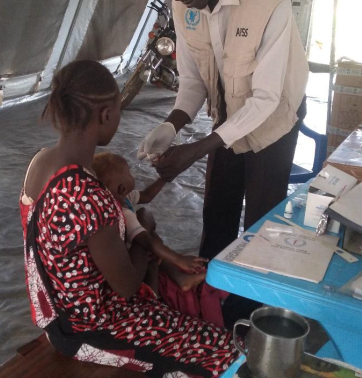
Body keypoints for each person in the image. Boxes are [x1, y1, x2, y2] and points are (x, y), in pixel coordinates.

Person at [20, 60, 238, 377]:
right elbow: (126, 286)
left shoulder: (40, 163)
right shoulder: (89, 196)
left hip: (57, 316)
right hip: (92, 329)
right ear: (106, 115)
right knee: (224, 352)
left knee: (189, 299)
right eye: (119, 110)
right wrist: (144, 231)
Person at [141, 0, 309, 263]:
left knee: (261, 220)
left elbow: (265, 99)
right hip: (228, 115)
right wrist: (170, 126)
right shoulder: (183, 3)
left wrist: (197, 150)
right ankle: (211, 296)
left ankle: (251, 307)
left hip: (274, 119)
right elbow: (193, 82)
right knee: (217, 211)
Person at [91, 152, 207, 291]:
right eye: (129, 172)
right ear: (122, 188)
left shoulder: (124, 196)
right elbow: (147, 241)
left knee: (153, 239)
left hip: (132, 248)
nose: (132, 174)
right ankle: (153, 296)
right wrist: (179, 259)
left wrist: (164, 178)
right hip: (130, 260)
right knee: (154, 250)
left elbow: (146, 196)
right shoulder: (124, 214)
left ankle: (179, 278)